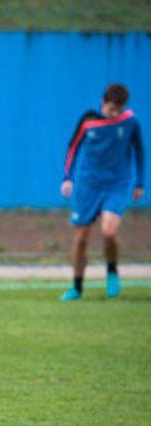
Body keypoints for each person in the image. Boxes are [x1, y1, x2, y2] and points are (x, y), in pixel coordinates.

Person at [60, 83, 145, 301]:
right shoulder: (88, 121)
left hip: (117, 184)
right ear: (102, 102)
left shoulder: (130, 122)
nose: (113, 114)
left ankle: (112, 270)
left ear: (123, 106)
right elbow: (72, 147)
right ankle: (77, 287)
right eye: (110, 109)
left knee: (108, 231)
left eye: (117, 110)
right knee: (80, 239)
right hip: (88, 185)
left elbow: (139, 150)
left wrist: (140, 183)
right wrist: (68, 178)